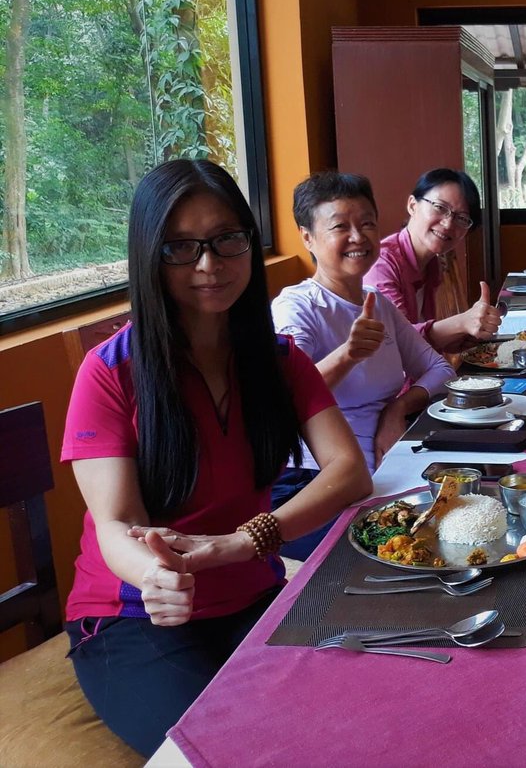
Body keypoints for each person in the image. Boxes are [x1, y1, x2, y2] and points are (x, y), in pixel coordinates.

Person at [61, 160, 372, 756]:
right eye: (181, 247)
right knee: (226, 749)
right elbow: (115, 523)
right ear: (150, 256)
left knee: (346, 723)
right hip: (136, 618)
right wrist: (155, 575)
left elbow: (348, 471)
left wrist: (239, 543)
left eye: (227, 239)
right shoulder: (110, 372)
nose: (209, 264)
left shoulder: (278, 360)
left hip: (250, 595)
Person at [271, 172, 457, 558]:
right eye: (341, 226)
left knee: (464, 520)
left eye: (367, 224)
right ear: (307, 237)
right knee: (404, 553)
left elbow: (440, 369)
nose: (358, 237)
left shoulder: (378, 303)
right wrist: (349, 353)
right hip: (316, 482)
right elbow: (286, 395)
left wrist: (397, 408)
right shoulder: (297, 307)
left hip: (392, 466)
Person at [364, 167, 502, 352]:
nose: (448, 224)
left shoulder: (431, 263)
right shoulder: (381, 264)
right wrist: (461, 323)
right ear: (413, 205)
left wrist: (459, 338)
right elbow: (397, 342)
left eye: (462, 218)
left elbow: (420, 342)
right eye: (440, 207)